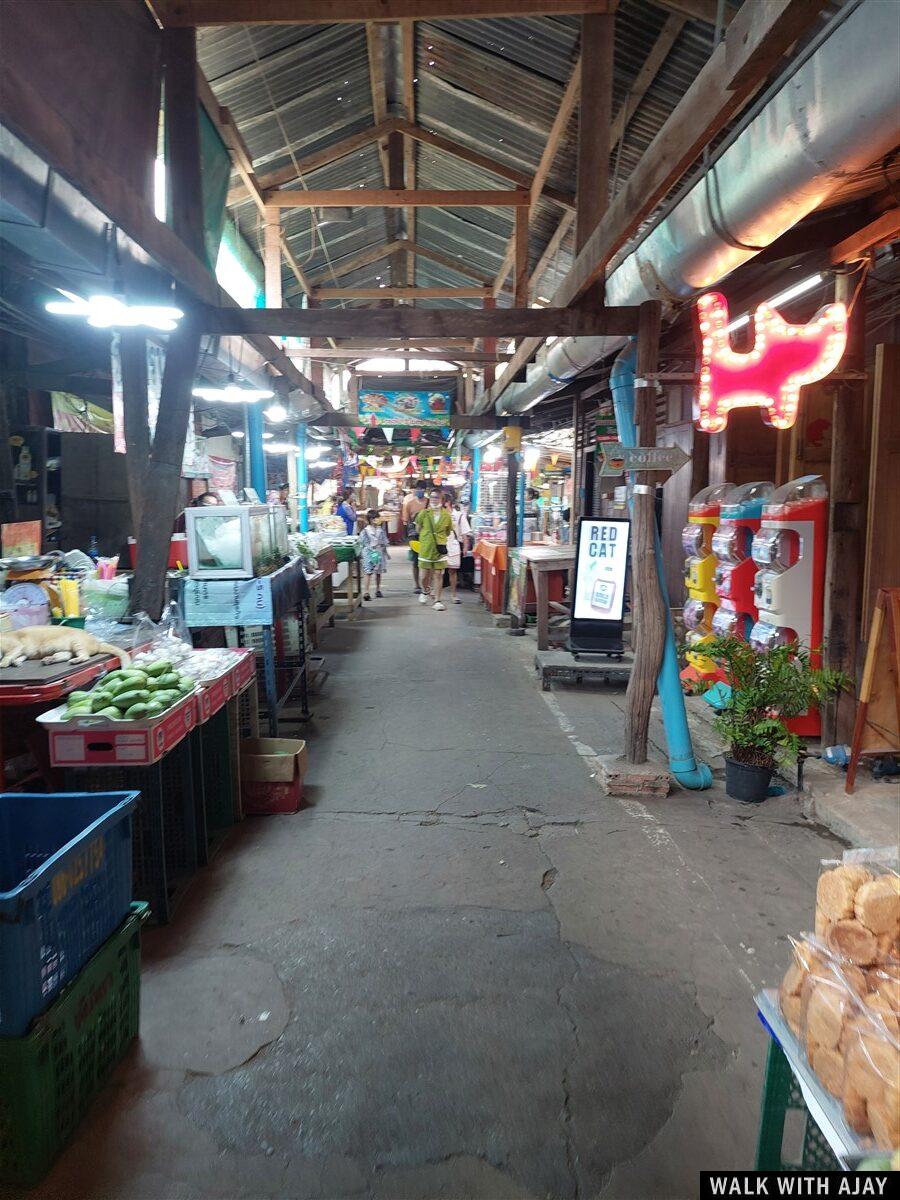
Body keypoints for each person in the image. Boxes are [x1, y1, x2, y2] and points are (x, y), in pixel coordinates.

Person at [415, 488, 452, 611]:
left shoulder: (446, 516)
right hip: (426, 547)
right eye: (432, 497)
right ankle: (425, 591)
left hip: (439, 549)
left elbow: (447, 532)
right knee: (423, 576)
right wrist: (426, 538)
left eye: (436, 497)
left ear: (442, 499)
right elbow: (418, 529)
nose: (434, 499)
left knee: (438, 574)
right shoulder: (424, 513)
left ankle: (437, 600)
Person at [402, 483, 427, 593]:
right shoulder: (409, 504)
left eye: (421, 488)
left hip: (427, 534)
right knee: (415, 560)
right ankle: (417, 585)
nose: (419, 490)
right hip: (414, 535)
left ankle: (426, 584)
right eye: (418, 488)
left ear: (425, 490)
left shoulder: (429, 502)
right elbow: (405, 520)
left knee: (427, 560)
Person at [359, 509, 389, 601]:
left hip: (379, 552)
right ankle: (366, 592)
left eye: (378, 518)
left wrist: (386, 552)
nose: (377, 520)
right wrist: (369, 551)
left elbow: (384, 542)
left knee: (378, 572)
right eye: (375, 518)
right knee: (368, 572)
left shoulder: (381, 530)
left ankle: (378, 589)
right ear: (370, 519)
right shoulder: (365, 531)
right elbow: (363, 542)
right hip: (369, 553)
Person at [446, 499, 472, 605]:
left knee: (453, 571)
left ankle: (453, 595)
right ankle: (433, 593)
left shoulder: (459, 516)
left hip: (454, 545)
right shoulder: (437, 515)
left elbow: (465, 533)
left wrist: (465, 547)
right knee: (438, 571)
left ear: (451, 505)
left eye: (446, 506)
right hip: (439, 545)